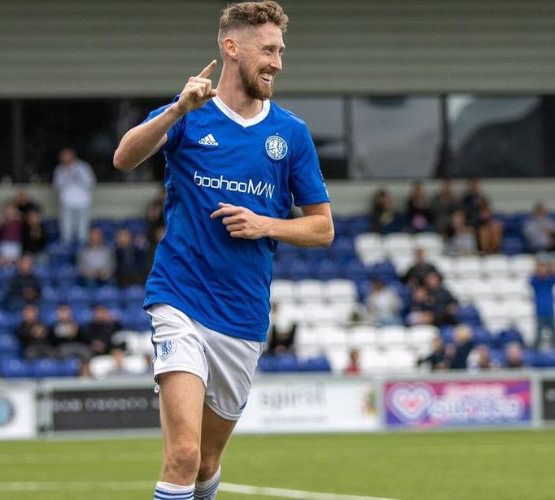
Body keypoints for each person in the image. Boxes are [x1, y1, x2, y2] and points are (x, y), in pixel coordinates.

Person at [112, 2, 333, 498]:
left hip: (242, 316)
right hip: (180, 300)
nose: (277, 62)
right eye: (268, 50)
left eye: (280, 51)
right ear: (232, 48)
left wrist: (263, 224)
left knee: (208, 461)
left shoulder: (290, 134)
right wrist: (175, 109)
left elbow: (322, 229)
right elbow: (123, 157)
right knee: (183, 455)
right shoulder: (190, 114)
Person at [53, 148, 96, 244]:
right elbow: (56, 186)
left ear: (73, 156)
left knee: (82, 230)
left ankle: (81, 251)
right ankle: (67, 252)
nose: (66, 160)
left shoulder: (83, 167)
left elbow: (91, 183)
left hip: (83, 202)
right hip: (67, 202)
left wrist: (78, 175)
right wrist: (66, 175)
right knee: (67, 230)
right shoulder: (59, 170)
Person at [530, 259, 555, 351]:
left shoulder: (550, 281)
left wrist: (552, 268)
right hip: (540, 312)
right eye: (541, 269)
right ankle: (535, 353)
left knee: (554, 336)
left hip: (550, 312)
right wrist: (537, 269)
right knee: (538, 336)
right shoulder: (536, 282)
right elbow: (530, 280)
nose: (542, 271)